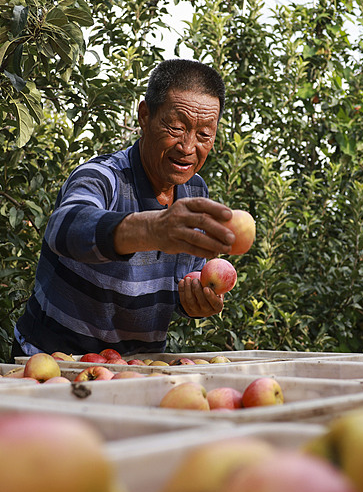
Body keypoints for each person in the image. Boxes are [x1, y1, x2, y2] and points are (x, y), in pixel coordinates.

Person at [13, 59, 238, 359]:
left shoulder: (195, 192)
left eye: (204, 134)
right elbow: (64, 227)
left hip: (135, 368)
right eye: (176, 127)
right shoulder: (102, 176)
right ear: (145, 116)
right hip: (54, 362)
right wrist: (151, 229)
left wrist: (194, 300)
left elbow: (185, 279)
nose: (187, 147)